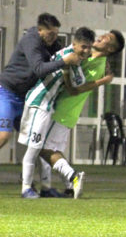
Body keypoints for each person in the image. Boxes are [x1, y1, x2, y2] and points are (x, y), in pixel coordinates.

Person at [37, 30, 124, 197]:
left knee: (43, 148)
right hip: (62, 110)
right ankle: (68, 186)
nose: (103, 36)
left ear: (111, 49)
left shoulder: (98, 65)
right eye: (105, 33)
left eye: (108, 38)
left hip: (62, 109)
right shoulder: (87, 54)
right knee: (53, 150)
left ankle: (70, 178)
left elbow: (75, 89)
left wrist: (67, 69)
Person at [17, 27, 97, 199]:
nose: (86, 51)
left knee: (43, 148)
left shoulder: (68, 52)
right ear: (74, 44)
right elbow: (79, 83)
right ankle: (26, 188)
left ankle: (47, 187)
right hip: (39, 103)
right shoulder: (71, 58)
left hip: (46, 105)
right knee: (34, 149)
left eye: (89, 47)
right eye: (83, 47)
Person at [0, 14, 81, 153]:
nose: (54, 37)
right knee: (4, 136)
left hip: (25, 99)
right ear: (40, 30)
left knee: (38, 144)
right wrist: (65, 62)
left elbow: (66, 52)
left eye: (56, 34)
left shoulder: (52, 44)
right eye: (50, 34)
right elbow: (39, 69)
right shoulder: (31, 40)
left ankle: (61, 174)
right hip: (7, 93)